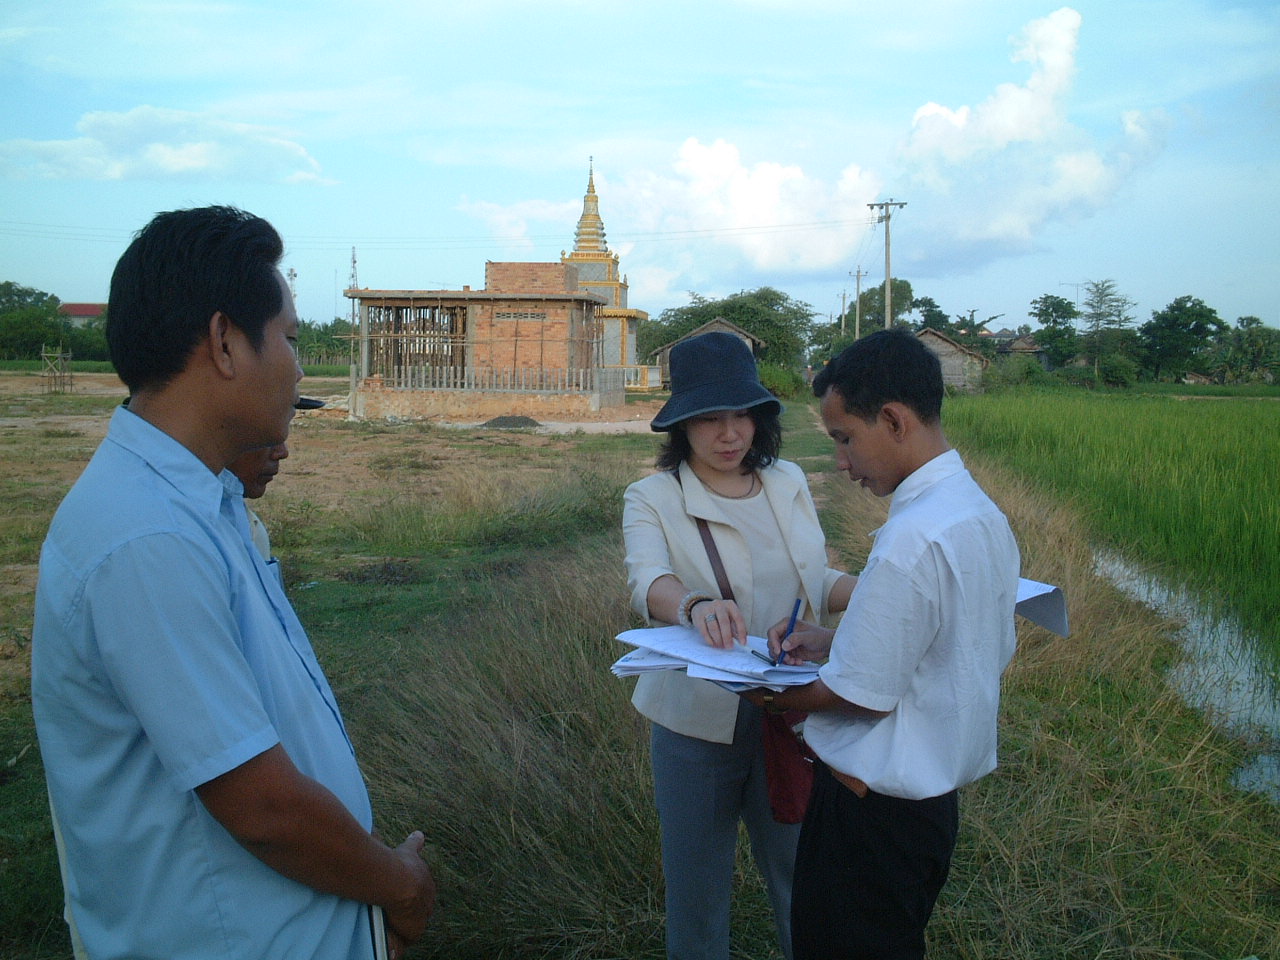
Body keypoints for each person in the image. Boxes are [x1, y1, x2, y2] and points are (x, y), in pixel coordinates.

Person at [32, 205, 435, 960]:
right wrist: (400, 886)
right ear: (224, 342)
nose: (300, 367)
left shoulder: (201, 503)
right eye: (287, 337)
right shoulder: (146, 538)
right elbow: (262, 808)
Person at [743, 329, 1020, 960]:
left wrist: (771, 695)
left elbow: (861, 699)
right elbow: (954, 648)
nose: (841, 461)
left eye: (844, 439)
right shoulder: (980, 515)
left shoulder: (910, 539)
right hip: (927, 815)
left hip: (869, 820)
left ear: (893, 420)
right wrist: (829, 640)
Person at [622, 331, 856, 960]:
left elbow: (816, 579)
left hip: (792, 713)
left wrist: (879, 591)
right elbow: (648, 581)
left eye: (741, 416)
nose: (730, 434)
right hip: (694, 726)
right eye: (709, 419)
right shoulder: (653, 497)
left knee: (799, 878)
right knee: (697, 895)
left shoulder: (787, 483)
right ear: (682, 425)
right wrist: (695, 605)